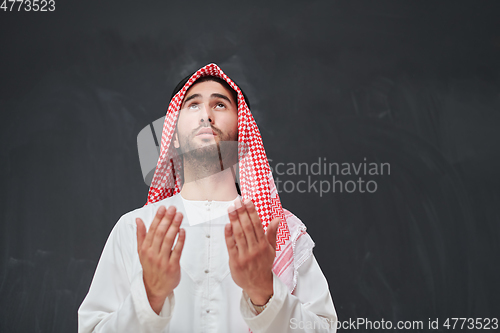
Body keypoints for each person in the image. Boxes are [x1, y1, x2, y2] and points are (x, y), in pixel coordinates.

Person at [78, 63, 338, 332]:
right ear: (173, 136)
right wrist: (149, 299)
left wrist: (266, 294)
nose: (206, 115)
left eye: (220, 105)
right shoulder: (135, 230)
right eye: (192, 105)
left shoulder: (281, 231)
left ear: (241, 131)